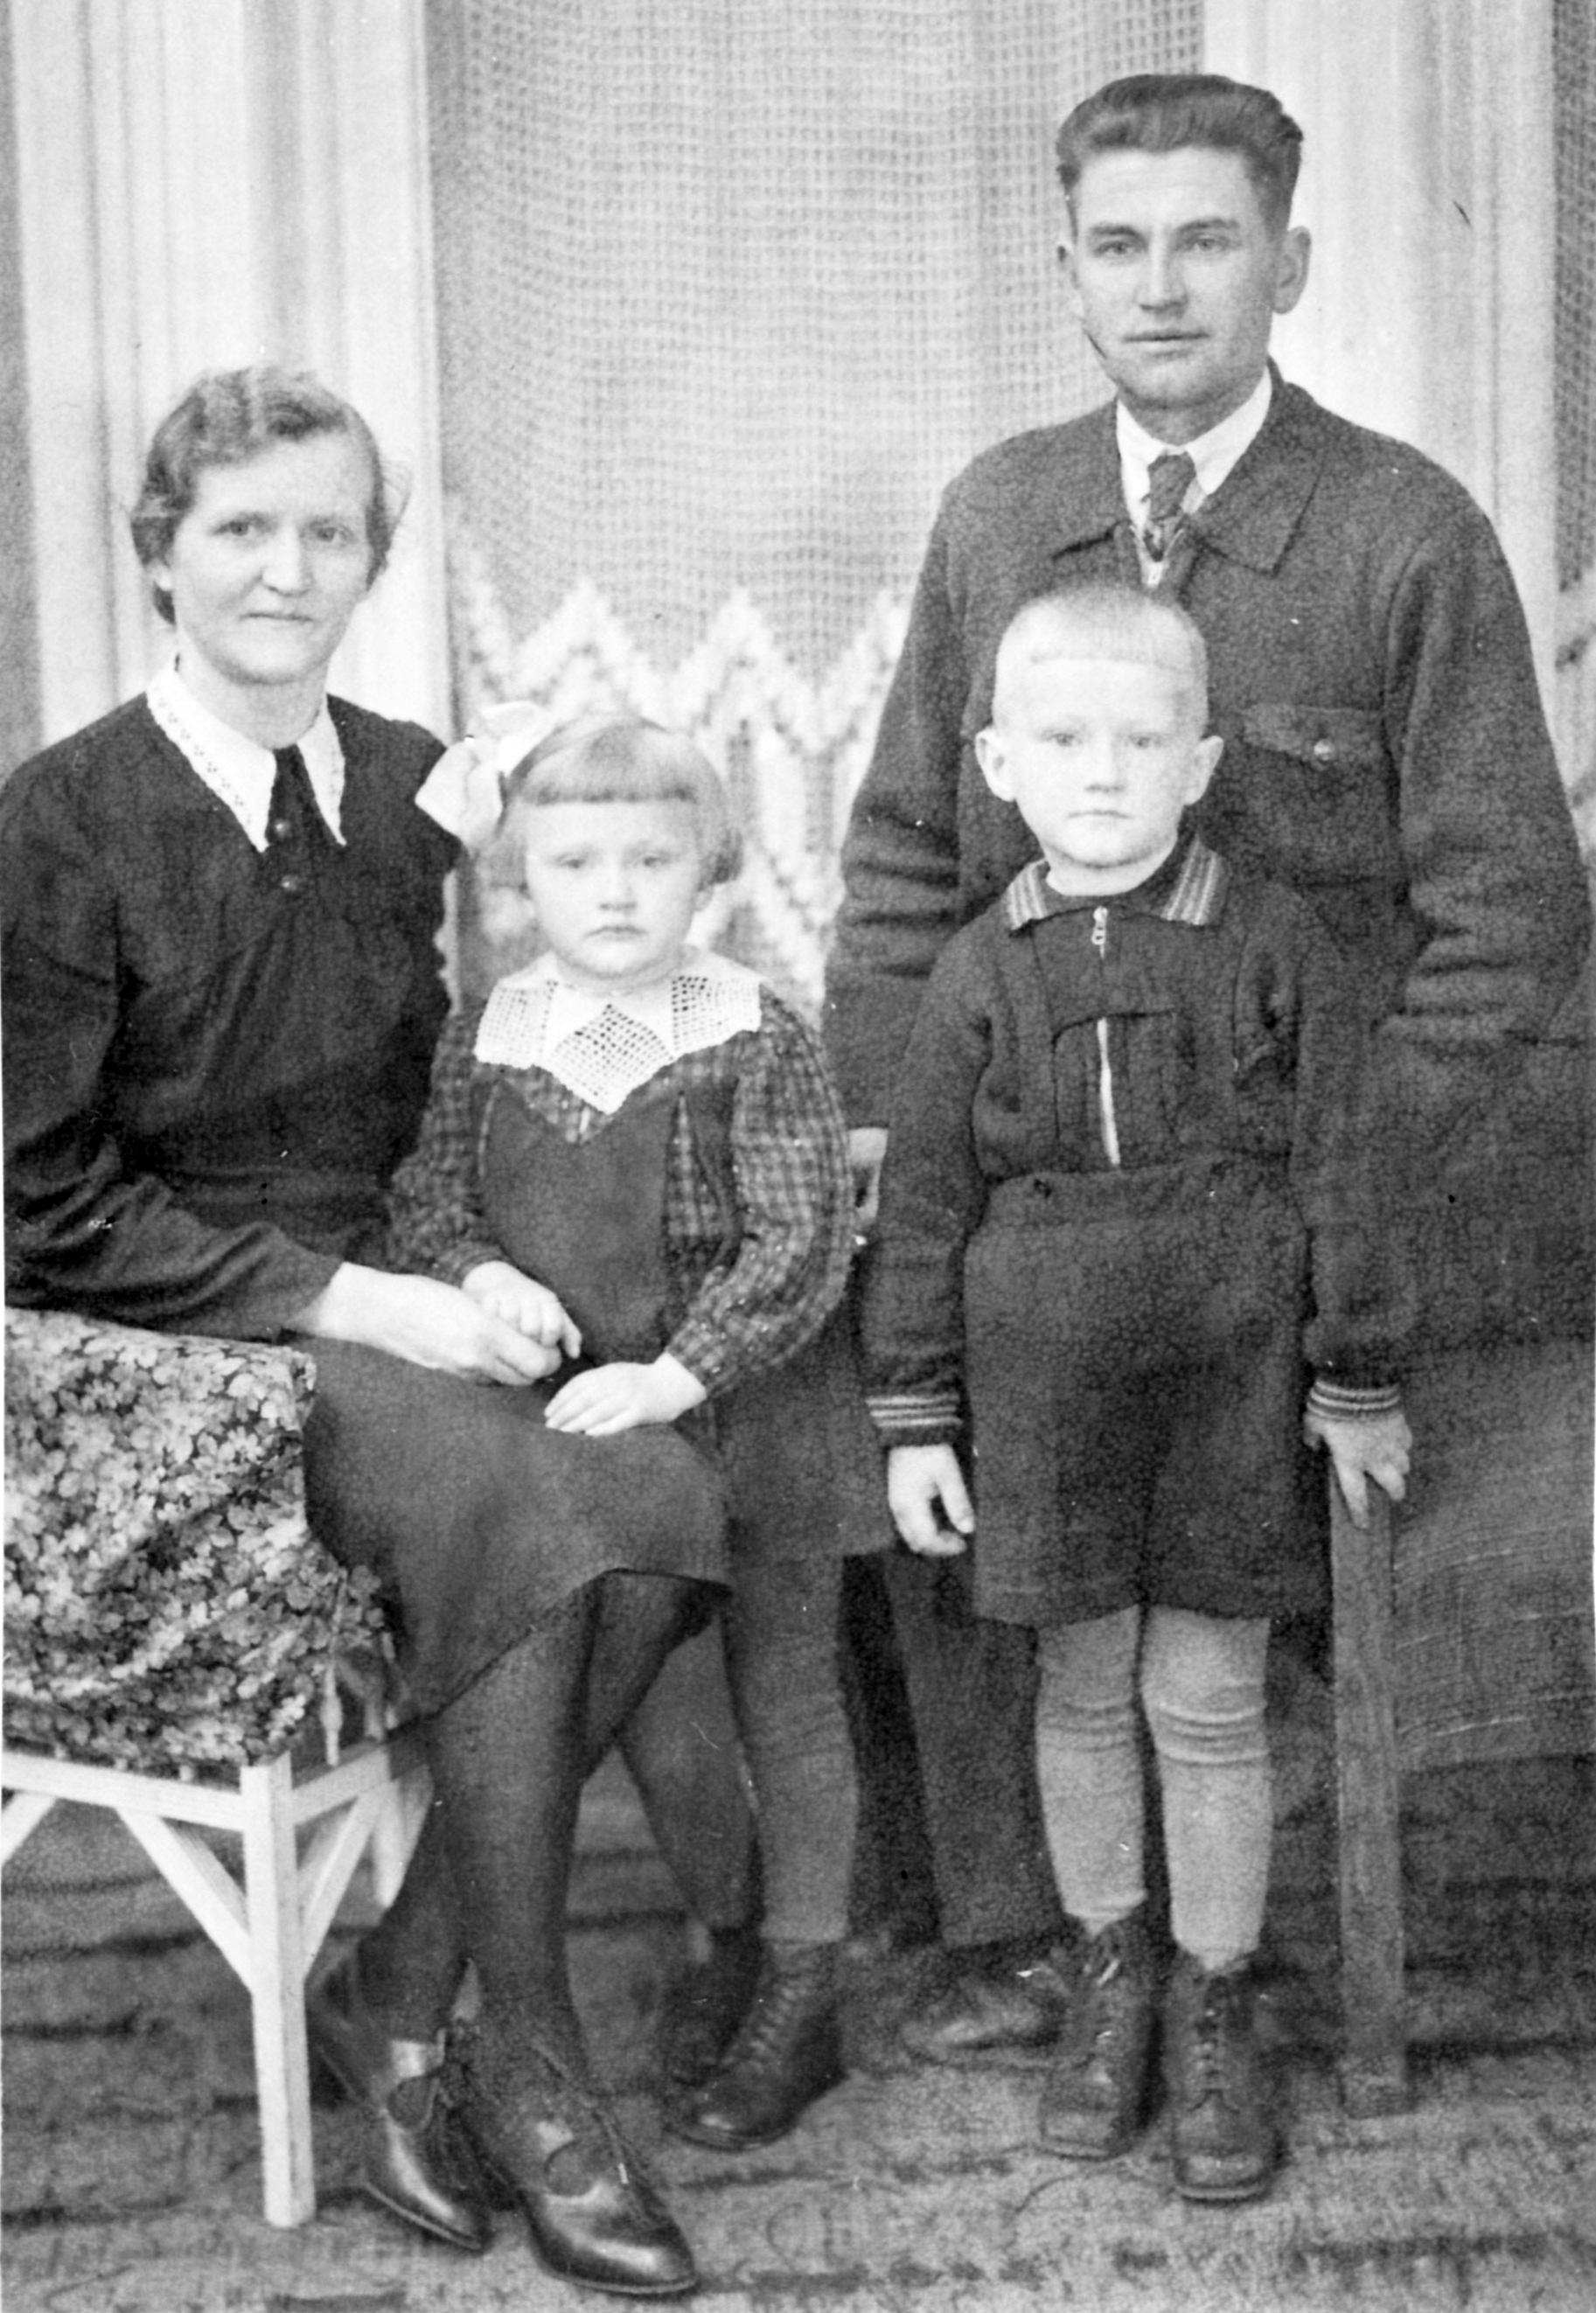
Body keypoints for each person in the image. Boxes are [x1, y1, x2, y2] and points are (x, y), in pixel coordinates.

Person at [825, 70, 1590, 2059]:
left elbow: (1508, 919)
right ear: (1066, 271)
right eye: (1118, 246)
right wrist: (897, 1140)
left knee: (1202, 1553)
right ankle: (1018, 1928)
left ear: (1288, 263)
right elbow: (905, 863)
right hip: (1037, 1201)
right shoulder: (1001, 516)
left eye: (1205, 241)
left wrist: (1342, 1177)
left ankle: (1222, 1956)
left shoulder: (1399, 534)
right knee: (871, 1361)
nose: (1159, 288)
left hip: (1312, 1215)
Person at [0, 366, 743, 2299]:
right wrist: (354, 1298)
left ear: (370, 562)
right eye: (241, 528)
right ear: (160, 555)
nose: (286, 568)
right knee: (532, 1511)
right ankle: (541, 2072)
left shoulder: (408, 783)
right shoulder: (63, 819)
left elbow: (436, 1100)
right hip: (176, 1346)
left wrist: (469, 1258)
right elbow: (40, 1201)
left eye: (327, 531)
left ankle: (404, 1999)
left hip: (398, 1282)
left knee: (665, 1491)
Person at [863, 581, 1414, 2202]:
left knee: (1211, 1697)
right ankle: (1111, 1974)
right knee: (1081, 1689)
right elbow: (926, 1208)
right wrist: (916, 1417)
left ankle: (1214, 1997)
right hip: (1043, 1401)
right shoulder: (978, 970)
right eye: (1060, 740)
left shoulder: (1273, 939)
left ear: (1201, 760)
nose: (1100, 772)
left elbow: (1345, 1169)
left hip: (1229, 1385)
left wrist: (1354, 1374)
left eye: (1139, 738)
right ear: (996, 763)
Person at [387, 711, 886, 2156]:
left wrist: (679, 1373)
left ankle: (804, 1984)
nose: (612, 890)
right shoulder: (490, 1034)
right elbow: (433, 1200)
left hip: (752, 1406)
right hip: (594, 1438)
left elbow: (797, 1237)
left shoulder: (752, 1030)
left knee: (784, 1694)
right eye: (575, 861)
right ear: (520, 879)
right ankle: (726, 1930)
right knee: (662, 1712)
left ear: (709, 872)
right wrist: (481, 1273)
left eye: (651, 860)